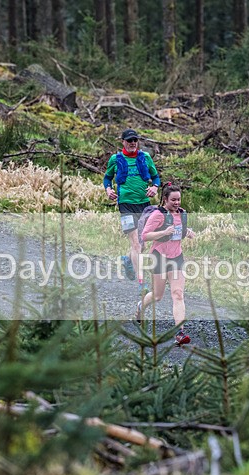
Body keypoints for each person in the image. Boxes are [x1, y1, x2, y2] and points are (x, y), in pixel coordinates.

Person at [136, 182, 195, 346]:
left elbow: (179, 230)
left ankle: (180, 333)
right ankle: (141, 306)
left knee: (178, 294)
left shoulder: (182, 214)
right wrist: (164, 232)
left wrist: (187, 232)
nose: (177, 203)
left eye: (179, 199)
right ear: (165, 199)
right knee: (157, 295)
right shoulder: (157, 214)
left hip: (176, 257)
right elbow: (145, 236)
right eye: (173, 200)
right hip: (159, 257)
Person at [103, 128, 160, 289]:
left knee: (142, 244)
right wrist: (109, 190)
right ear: (123, 142)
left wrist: (155, 187)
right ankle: (142, 284)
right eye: (129, 140)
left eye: (134, 140)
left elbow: (155, 177)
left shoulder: (146, 157)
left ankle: (128, 260)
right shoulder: (115, 159)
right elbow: (107, 178)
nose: (132, 143)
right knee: (135, 244)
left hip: (144, 204)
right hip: (125, 204)